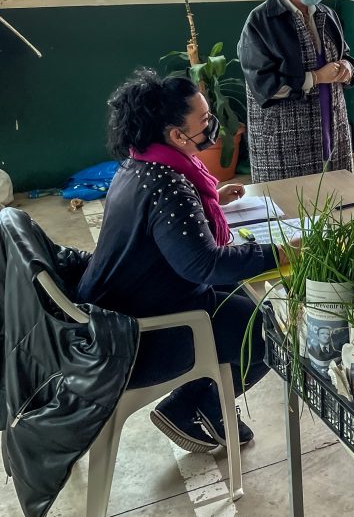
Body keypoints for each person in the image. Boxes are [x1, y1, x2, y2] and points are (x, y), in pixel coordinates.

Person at [78, 69, 297, 453]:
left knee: (238, 293)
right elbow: (202, 265)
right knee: (268, 332)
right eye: (205, 122)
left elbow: (178, 237)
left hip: (121, 305)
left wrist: (212, 201)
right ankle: (193, 403)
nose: (213, 126)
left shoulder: (140, 164)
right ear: (177, 136)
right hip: (136, 336)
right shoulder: (169, 186)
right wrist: (281, 253)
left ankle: (204, 399)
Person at [238, 0, 354, 183]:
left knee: (337, 197)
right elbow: (264, 85)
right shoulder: (261, 21)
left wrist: (347, 66)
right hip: (284, 137)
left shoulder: (326, 14)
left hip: (331, 124)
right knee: (292, 207)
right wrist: (315, 78)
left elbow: (344, 54)